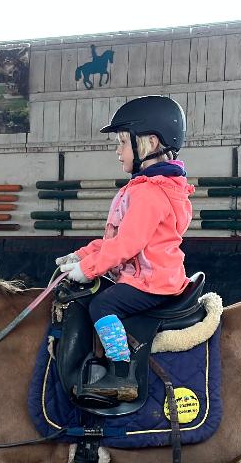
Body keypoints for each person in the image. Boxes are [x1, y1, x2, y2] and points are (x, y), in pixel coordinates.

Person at [56, 95, 193, 402]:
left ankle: (121, 372)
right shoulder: (147, 188)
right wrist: (81, 255)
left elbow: (128, 245)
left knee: (102, 306)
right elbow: (114, 241)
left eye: (122, 142)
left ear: (149, 142)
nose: (118, 151)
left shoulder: (148, 193)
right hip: (148, 275)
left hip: (152, 281)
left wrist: (86, 270)